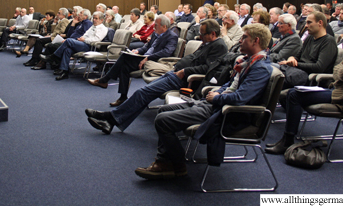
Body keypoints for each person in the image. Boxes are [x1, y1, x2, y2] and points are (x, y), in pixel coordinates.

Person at [133, 24, 273, 179]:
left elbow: (240, 98)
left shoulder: (260, 68)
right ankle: (166, 161)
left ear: (256, 41)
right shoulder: (249, 61)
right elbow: (232, 85)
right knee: (163, 110)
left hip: (227, 113)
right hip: (217, 104)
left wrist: (218, 97)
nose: (240, 40)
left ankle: (176, 165)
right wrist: (219, 91)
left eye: (244, 37)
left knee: (162, 120)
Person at [85, 20, 227, 134]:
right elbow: (193, 58)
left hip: (184, 78)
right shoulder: (208, 43)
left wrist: (184, 71)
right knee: (143, 92)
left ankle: (110, 118)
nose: (199, 37)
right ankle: (111, 121)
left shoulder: (219, 46)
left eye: (202, 34)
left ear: (213, 34)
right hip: (175, 72)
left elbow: (208, 68)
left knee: (143, 92)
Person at [266, 16, 343, 154]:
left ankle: (287, 140)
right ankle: (287, 139)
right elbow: (338, 69)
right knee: (293, 93)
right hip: (339, 89)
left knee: (294, 95)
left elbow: (342, 73)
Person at [87, 15, 178, 106]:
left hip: (154, 61)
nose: (154, 27)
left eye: (156, 25)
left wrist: (148, 58)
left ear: (164, 27)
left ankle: (104, 80)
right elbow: (147, 46)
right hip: (144, 58)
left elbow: (166, 52)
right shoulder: (155, 33)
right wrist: (138, 51)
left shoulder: (172, 36)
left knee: (124, 57)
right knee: (124, 67)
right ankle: (122, 97)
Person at [41, 11, 108, 80]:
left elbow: (96, 40)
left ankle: (54, 57)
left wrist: (84, 40)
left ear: (101, 20)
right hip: (83, 43)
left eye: (96, 18)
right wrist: (81, 39)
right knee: (68, 50)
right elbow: (85, 35)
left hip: (90, 47)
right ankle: (64, 72)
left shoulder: (103, 28)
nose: (94, 20)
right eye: (93, 18)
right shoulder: (92, 26)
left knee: (68, 40)